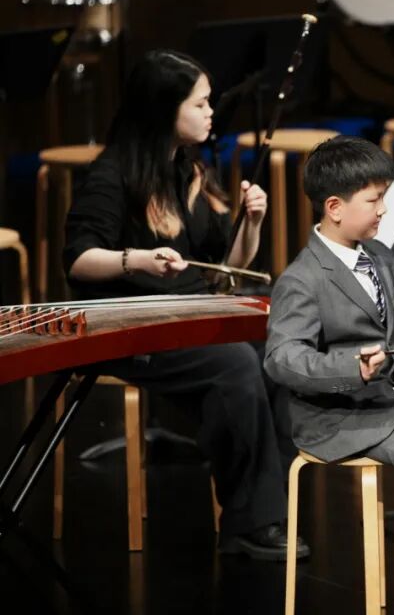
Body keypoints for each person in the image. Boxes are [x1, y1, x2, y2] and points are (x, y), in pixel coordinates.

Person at [64, 49, 303, 561]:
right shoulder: (112, 174)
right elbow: (79, 260)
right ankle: (249, 523)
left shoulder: (187, 169)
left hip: (186, 312)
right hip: (128, 325)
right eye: (199, 103)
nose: (210, 112)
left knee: (276, 347)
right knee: (234, 364)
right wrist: (138, 260)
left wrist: (252, 222)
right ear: (163, 109)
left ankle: (276, 505)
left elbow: (226, 266)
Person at [264, 136, 394, 609]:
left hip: (385, 402)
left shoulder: (378, 255)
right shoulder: (302, 279)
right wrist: (348, 367)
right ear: (334, 208)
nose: (384, 210)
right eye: (374, 200)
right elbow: (282, 357)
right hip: (337, 417)